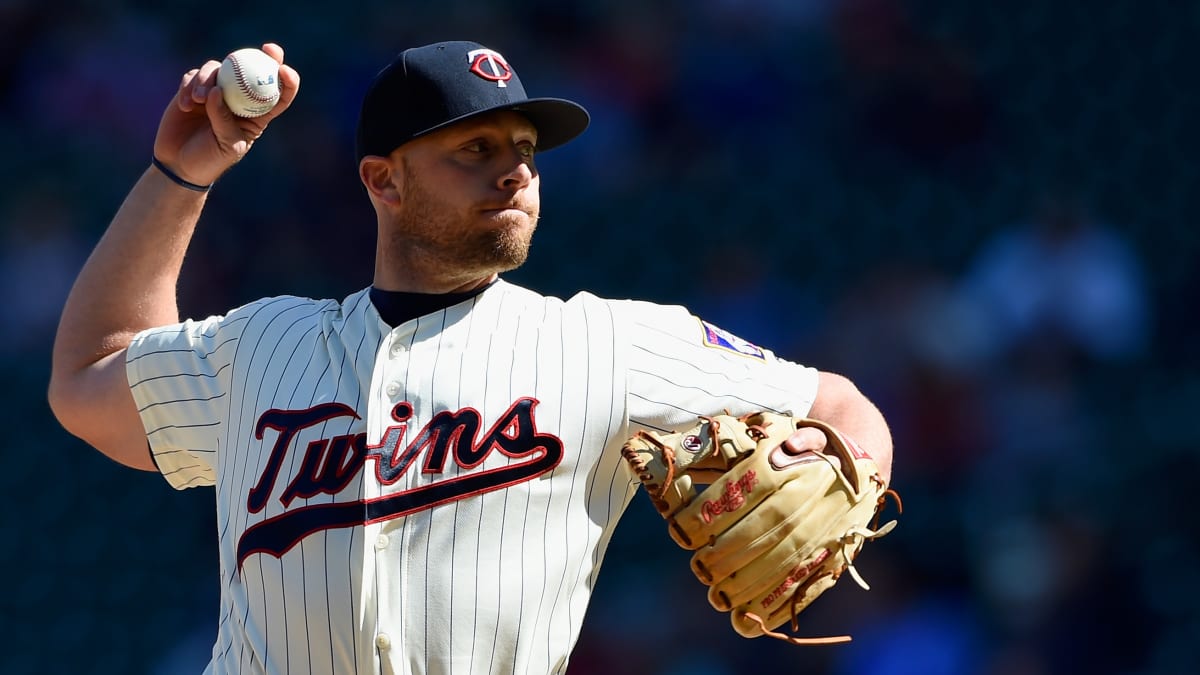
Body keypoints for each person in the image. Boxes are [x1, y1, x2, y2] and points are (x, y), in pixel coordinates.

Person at [48, 40, 893, 674]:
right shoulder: (263, 344)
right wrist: (180, 173)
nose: (515, 173)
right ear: (384, 182)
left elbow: (841, 403)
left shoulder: (609, 343)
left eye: (524, 151)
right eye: (476, 151)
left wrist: (835, 454)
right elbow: (89, 380)